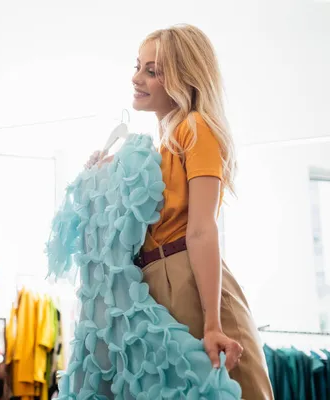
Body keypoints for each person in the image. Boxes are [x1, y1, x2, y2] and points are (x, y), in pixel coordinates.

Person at [88, 25, 273, 399]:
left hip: (189, 278)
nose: (136, 78)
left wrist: (213, 324)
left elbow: (202, 230)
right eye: (138, 66)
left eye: (151, 71)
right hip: (158, 280)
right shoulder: (162, 145)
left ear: (184, 79)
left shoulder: (195, 128)